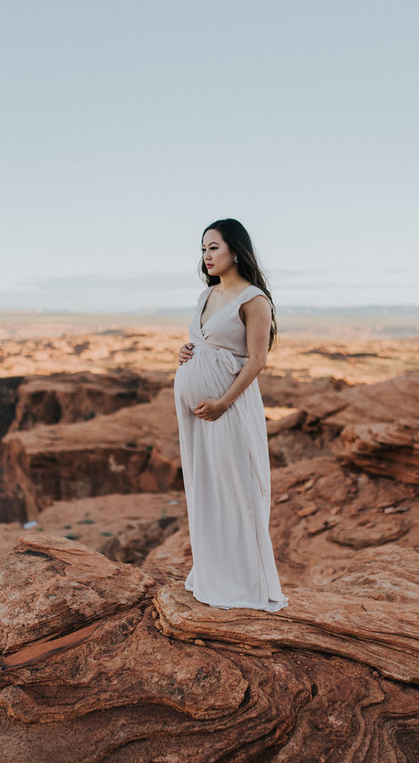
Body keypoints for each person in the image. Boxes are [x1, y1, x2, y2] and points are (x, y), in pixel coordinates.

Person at [174, 218, 288, 611]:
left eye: (214, 247)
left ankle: (244, 583)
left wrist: (223, 402)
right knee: (206, 488)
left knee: (236, 490)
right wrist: (186, 352)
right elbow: (203, 342)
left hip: (230, 409)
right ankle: (213, 574)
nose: (206, 256)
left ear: (235, 250)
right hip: (198, 416)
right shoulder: (206, 295)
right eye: (203, 249)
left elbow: (257, 361)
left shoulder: (254, 300)